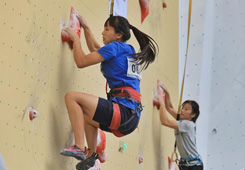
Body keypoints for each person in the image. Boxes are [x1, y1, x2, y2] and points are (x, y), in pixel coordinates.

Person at [60, 12, 158, 170]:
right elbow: (96, 49)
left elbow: (81, 61)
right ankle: (91, 158)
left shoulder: (115, 47)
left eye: (106, 29)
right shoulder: (126, 49)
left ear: (118, 35)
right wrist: (85, 27)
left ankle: (79, 147)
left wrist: (76, 38)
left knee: (71, 98)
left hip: (124, 111)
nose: (102, 32)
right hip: (130, 118)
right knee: (85, 115)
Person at [155, 85, 203, 170]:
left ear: (193, 115)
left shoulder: (188, 124)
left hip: (194, 166)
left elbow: (165, 121)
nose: (182, 110)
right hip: (186, 164)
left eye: (186, 109)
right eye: (182, 108)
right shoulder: (182, 120)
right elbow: (169, 108)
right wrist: (167, 92)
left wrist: (161, 103)